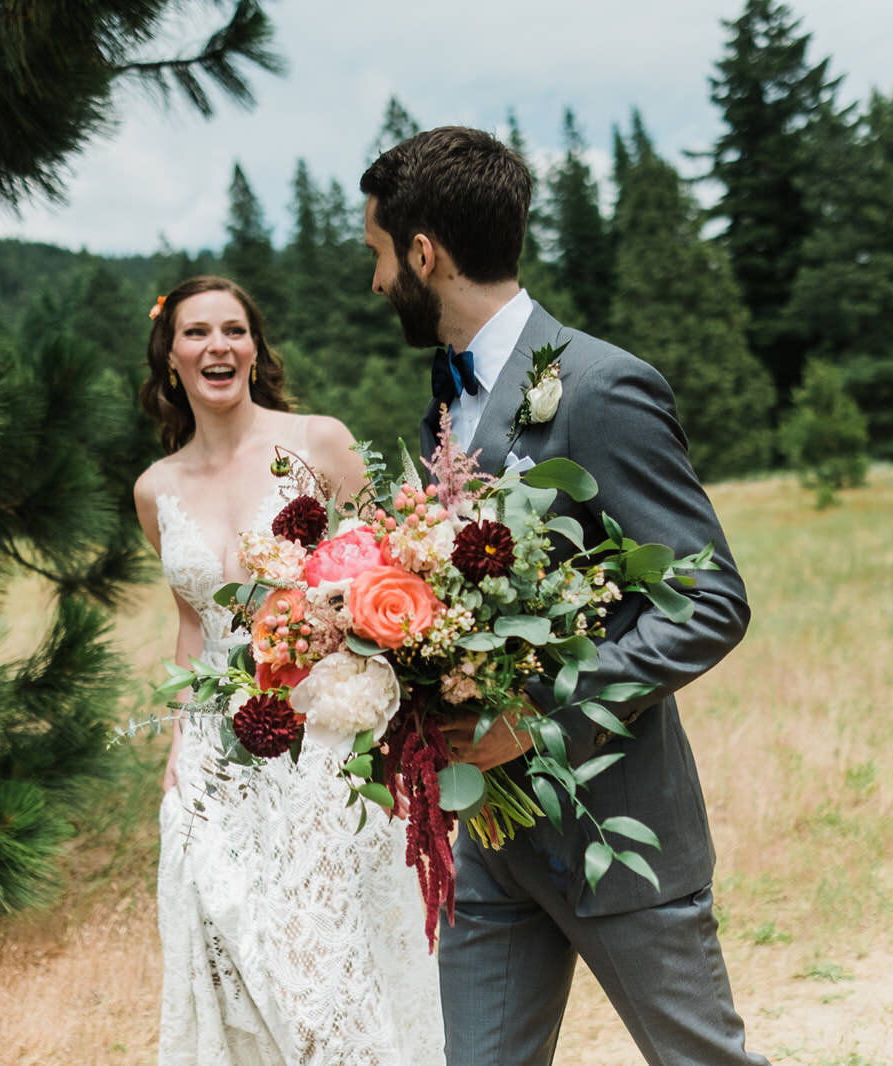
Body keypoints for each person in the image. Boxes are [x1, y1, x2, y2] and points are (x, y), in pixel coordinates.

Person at [360, 129, 768, 1066]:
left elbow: (709, 602)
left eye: (379, 256)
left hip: (614, 832)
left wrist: (538, 719)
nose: (377, 283)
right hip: (492, 844)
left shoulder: (599, 385)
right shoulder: (443, 399)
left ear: (425, 254)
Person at [132, 276, 444, 1066]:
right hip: (216, 757)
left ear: (255, 348)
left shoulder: (318, 442)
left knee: (323, 968)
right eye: (197, 333)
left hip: (324, 741)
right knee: (235, 957)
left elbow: (390, 574)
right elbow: (191, 622)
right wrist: (177, 739)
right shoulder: (154, 490)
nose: (219, 347)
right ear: (171, 358)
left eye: (234, 330)